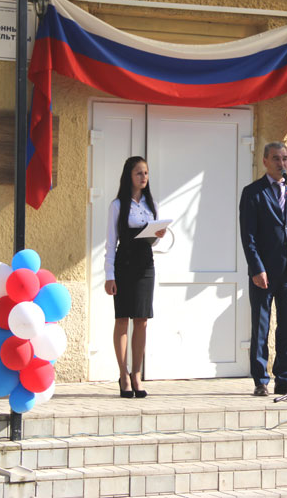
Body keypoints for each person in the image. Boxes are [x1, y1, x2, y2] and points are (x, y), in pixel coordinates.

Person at [239, 141, 287, 397]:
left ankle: (285, 379)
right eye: (276, 159)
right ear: (265, 161)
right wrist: (256, 268)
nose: (282, 163)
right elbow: (248, 236)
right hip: (264, 273)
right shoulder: (253, 192)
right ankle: (261, 380)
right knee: (261, 327)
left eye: (285, 158)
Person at [104, 156, 166, 398]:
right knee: (122, 318)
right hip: (124, 264)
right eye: (139, 173)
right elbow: (111, 243)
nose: (143, 177)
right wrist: (109, 275)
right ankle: (123, 374)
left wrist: (158, 235)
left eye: (146, 173)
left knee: (142, 319)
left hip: (145, 265)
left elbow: (153, 241)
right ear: (129, 176)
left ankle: (137, 374)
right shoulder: (118, 205)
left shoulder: (152, 204)